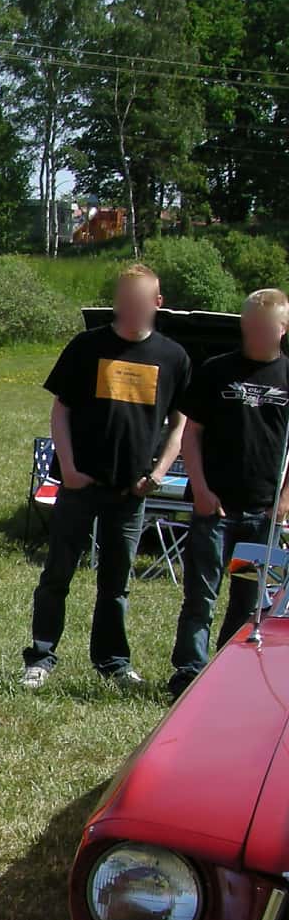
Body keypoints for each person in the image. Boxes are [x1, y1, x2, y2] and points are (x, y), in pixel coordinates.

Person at [21, 264, 192, 689]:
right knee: (57, 574)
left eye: (138, 302)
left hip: (131, 490)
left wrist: (158, 474)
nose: (129, 309)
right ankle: (40, 658)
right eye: (123, 301)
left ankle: (113, 662)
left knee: (115, 585)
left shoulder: (173, 357)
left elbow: (180, 423)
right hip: (80, 484)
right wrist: (68, 468)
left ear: (157, 303)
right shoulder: (86, 347)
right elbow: (61, 410)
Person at [166, 287, 289, 700]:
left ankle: (227, 674)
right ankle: (188, 674)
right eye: (248, 327)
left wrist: (284, 500)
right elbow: (191, 434)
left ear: (282, 329)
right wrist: (200, 489)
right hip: (213, 508)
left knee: (248, 600)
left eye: (263, 328)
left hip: (262, 514)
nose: (254, 334)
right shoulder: (216, 370)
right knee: (200, 596)